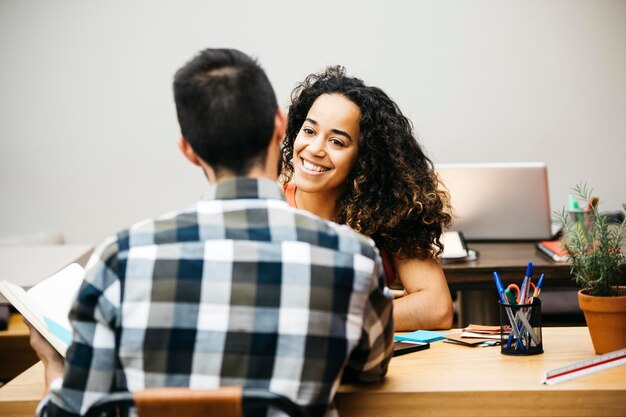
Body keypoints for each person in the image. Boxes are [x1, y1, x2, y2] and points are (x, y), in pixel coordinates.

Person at [27, 49, 393, 417]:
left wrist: (52, 364)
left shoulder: (120, 258)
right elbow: (371, 366)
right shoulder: (352, 256)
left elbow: (69, 412)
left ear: (188, 150)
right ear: (280, 125)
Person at [280, 66, 453, 331]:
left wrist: (337, 321)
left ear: (365, 159)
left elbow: (436, 308)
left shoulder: (387, 214)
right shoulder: (270, 210)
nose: (314, 149)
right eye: (309, 131)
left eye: (337, 142)